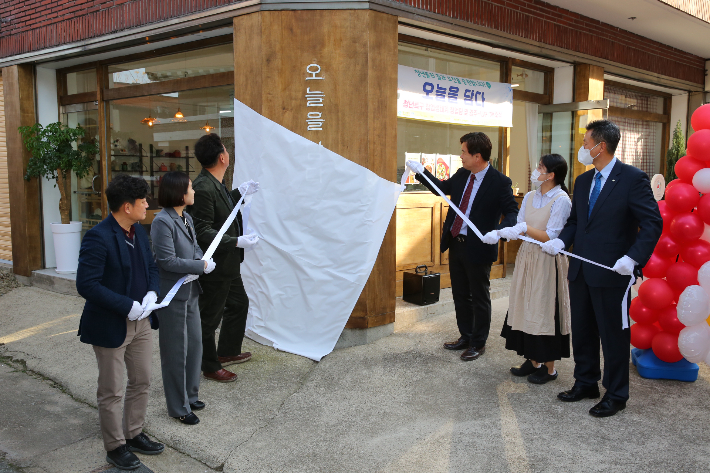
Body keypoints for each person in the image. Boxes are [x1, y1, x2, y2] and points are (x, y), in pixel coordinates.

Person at [541, 120, 663, 417]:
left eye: (585, 143)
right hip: (581, 269)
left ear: (601, 146)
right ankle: (586, 382)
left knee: (613, 335)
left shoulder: (633, 179)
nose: (582, 148)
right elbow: (575, 223)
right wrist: (561, 242)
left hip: (613, 272)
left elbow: (652, 223)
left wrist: (633, 258)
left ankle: (616, 393)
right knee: (582, 330)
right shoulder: (583, 182)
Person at [76, 174, 165, 470]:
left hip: (141, 322)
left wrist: (152, 292)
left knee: (142, 381)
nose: (147, 205)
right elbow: (86, 284)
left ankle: (134, 432)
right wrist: (126, 305)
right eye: (143, 202)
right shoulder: (98, 237)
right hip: (111, 324)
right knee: (112, 390)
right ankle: (115, 446)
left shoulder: (139, 231)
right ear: (127, 207)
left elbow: (150, 265)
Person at [407, 132, 519, 361]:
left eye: (463, 152)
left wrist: (500, 231)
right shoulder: (462, 174)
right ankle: (465, 336)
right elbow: (440, 187)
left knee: (479, 297)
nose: (461, 156)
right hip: (456, 244)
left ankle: (478, 343)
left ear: (477, 156)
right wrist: (421, 172)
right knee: (460, 295)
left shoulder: (499, 182)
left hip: (479, 246)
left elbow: (512, 213)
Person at [188, 133, 260, 382]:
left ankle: (227, 351)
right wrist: (236, 241)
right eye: (226, 151)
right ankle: (209, 365)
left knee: (239, 305)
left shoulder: (215, 183)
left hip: (229, 264)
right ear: (222, 157)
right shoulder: (203, 187)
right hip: (215, 265)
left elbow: (222, 211)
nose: (228, 154)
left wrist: (237, 193)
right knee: (209, 318)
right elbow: (202, 229)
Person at [498, 154, 572, 384]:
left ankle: (549, 368)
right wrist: (510, 231)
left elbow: (551, 234)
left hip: (547, 259)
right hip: (527, 256)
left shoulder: (561, 200)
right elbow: (521, 225)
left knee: (544, 309)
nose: (535, 170)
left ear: (551, 175)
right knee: (525, 304)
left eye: (540, 167)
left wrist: (523, 228)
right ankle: (532, 360)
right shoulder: (530, 196)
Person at [151, 172, 216, 425]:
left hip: (191, 291)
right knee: (176, 352)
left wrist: (204, 261)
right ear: (179, 193)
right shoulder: (162, 222)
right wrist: (200, 267)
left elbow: (196, 248)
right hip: (172, 295)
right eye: (190, 188)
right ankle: (178, 406)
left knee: (195, 345)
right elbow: (166, 261)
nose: (194, 191)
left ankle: (191, 394)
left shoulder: (186, 217)